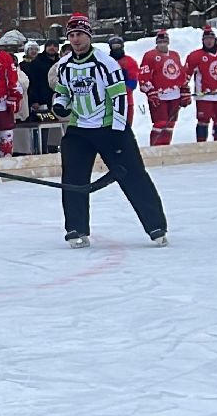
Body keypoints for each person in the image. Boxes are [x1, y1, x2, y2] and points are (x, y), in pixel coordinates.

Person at [48, 15, 168, 247]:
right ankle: (76, 228)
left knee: (132, 175)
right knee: (73, 179)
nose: (75, 40)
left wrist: (118, 130)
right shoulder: (64, 65)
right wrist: (60, 104)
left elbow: (119, 97)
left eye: (79, 35)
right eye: (71, 35)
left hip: (110, 129)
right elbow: (62, 91)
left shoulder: (106, 63)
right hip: (79, 129)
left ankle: (156, 226)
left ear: (89, 36)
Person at [137, 30, 189, 146]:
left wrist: (184, 90)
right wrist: (150, 91)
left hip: (174, 95)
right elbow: (143, 75)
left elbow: (181, 74)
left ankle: (165, 147)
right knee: (160, 123)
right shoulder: (150, 56)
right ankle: (155, 147)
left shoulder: (175, 55)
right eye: (160, 42)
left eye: (164, 41)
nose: (162, 44)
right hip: (159, 95)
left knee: (170, 124)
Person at [19, 39, 56, 120]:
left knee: (46, 121)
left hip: (44, 98)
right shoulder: (22, 66)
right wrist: (33, 100)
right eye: (31, 49)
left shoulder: (43, 64)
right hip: (29, 99)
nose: (33, 51)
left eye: (35, 49)